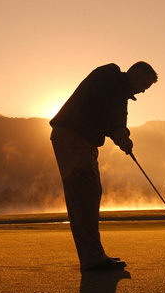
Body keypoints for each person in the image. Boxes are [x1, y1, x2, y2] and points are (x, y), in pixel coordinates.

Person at [50, 62, 159, 271]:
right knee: (85, 196)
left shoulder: (121, 94)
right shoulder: (110, 74)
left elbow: (117, 121)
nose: (144, 90)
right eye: (144, 84)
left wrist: (123, 136)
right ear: (135, 73)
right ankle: (93, 260)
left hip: (83, 141)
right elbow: (110, 110)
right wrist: (120, 134)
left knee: (89, 195)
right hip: (72, 138)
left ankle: (94, 257)